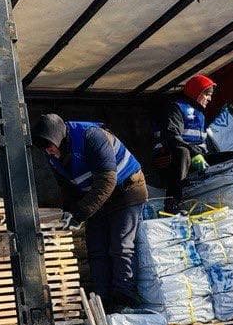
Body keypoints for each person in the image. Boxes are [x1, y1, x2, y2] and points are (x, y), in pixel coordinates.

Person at [32, 114, 149, 311]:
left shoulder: (92, 137)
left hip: (127, 190)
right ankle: (102, 302)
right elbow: (67, 187)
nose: (48, 150)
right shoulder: (52, 154)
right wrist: (69, 211)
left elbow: (107, 181)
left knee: (120, 246)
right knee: (96, 249)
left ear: (58, 137)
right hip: (97, 196)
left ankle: (124, 299)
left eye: (49, 145)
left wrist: (80, 214)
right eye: (44, 147)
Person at [150, 73, 218, 211]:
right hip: (170, 157)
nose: (209, 99)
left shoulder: (200, 114)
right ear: (196, 92)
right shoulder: (176, 107)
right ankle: (174, 203)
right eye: (207, 94)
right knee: (183, 152)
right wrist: (194, 153)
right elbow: (172, 137)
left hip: (198, 156)